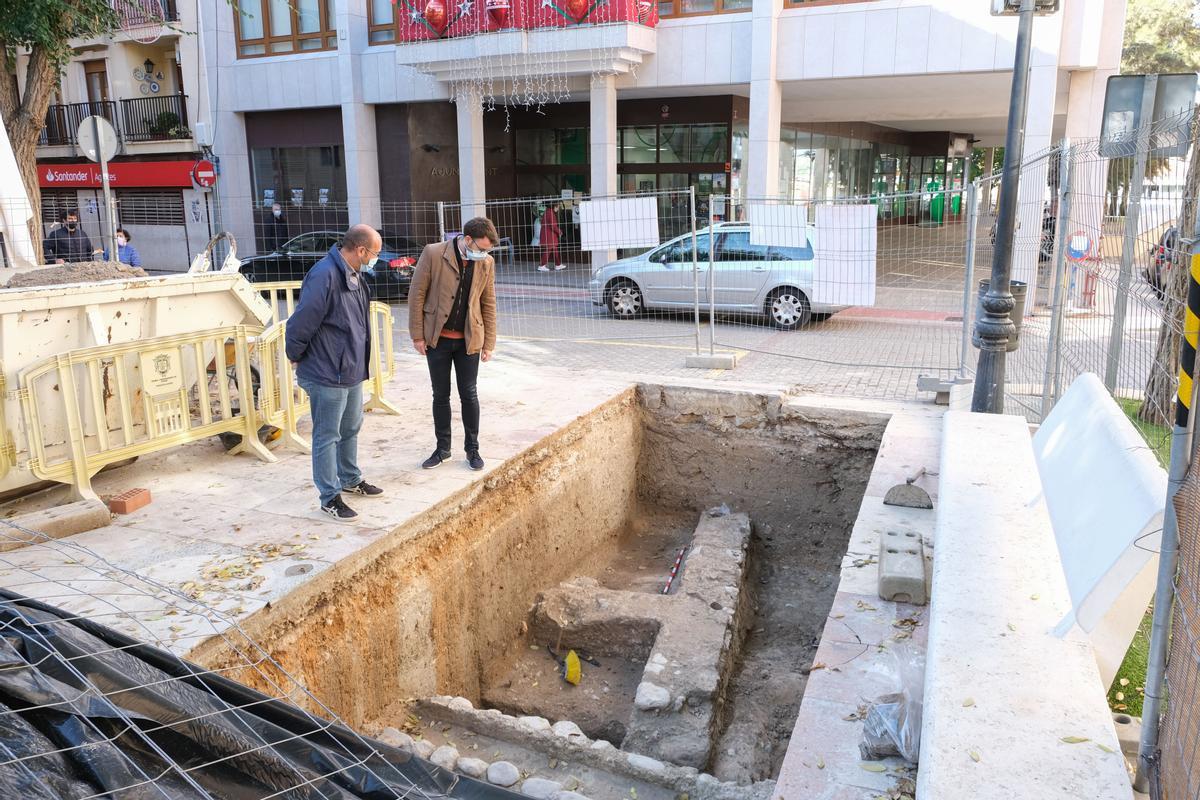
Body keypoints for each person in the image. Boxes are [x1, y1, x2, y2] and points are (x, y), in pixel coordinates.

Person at [285, 224, 385, 521]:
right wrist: (296, 355)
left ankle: (350, 478)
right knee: (327, 435)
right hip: (327, 370)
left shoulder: (355, 275)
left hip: (350, 369)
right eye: (375, 253)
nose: (375, 258)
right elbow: (302, 322)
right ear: (361, 250)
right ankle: (329, 496)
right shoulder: (325, 274)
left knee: (351, 427)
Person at [409, 216, 498, 472]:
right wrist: (417, 335)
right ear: (467, 239)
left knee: (469, 394)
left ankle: (472, 449)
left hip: (469, 341)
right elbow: (417, 294)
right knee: (441, 395)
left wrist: (489, 342)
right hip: (437, 339)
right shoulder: (434, 253)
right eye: (481, 248)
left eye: (488, 250)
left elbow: (488, 303)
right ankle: (442, 449)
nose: (484, 254)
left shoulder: (486, 263)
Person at [537, 202, 564, 272]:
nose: (558, 209)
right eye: (558, 207)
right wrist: (560, 231)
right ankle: (542, 265)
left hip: (548, 235)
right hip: (549, 235)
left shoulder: (547, 212)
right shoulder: (551, 214)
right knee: (548, 250)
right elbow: (553, 226)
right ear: (555, 206)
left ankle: (558, 264)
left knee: (554, 249)